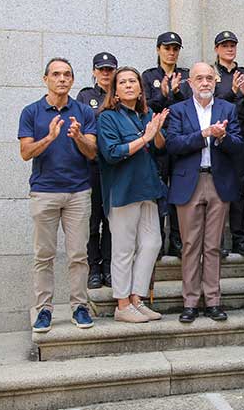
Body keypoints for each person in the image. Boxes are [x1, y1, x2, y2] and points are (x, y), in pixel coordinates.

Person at [19, 58, 98, 333]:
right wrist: (50, 137)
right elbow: (26, 152)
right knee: (44, 255)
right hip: (44, 192)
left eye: (66, 75)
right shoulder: (31, 112)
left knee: (78, 254)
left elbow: (92, 152)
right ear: (45, 79)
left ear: (73, 81)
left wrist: (77, 136)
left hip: (78, 192)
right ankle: (44, 310)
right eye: (56, 74)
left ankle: (79, 306)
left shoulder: (83, 112)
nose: (62, 79)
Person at [166, 63, 243, 323]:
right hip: (189, 182)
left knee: (213, 246)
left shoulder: (228, 109)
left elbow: (239, 146)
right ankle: (189, 302)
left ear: (216, 81)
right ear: (190, 83)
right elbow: (173, 144)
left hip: (218, 181)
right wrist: (204, 134)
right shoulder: (178, 110)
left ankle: (212, 300)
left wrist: (221, 137)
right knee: (190, 246)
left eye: (210, 78)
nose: (205, 82)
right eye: (199, 78)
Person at [96, 67, 169, 323]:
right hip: (123, 191)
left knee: (152, 244)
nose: (128, 85)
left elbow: (160, 148)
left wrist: (156, 131)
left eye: (133, 81)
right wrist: (144, 137)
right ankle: (122, 304)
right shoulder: (107, 118)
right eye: (123, 82)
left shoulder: (147, 113)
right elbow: (112, 153)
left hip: (148, 189)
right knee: (123, 249)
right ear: (115, 90)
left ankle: (137, 299)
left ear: (140, 88)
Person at [211, 30, 244, 257]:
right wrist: (231, 93)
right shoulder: (211, 74)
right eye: (225, 45)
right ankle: (217, 241)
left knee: (239, 190)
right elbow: (209, 103)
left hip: (241, 137)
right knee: (217, 190)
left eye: (233, 45)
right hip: (218, 138)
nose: (229, 49)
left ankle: (240, 239)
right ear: (217, 49)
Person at [143, 31, 189, 258]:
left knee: (179, 191)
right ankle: (158, 241)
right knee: (160, 189)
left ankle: (177, 240)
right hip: (158, 141)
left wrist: (178, 93)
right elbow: (145, 107)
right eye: (167, 48)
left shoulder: (187, 76)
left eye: (175, 49)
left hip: (180, 139)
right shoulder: (148, 75)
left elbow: (191, 107)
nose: (171, 52)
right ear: (158, 49)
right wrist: (162, 95)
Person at [77, 52, 118, 289]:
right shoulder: (86, 96)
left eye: (109, 69)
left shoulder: (120, 95)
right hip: (91, 167)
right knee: (93, 222)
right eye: (101, 69)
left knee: (112, 220)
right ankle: (93, 267)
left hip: (114, 167)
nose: (105, 73)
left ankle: (109, 267)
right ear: (94, 71)